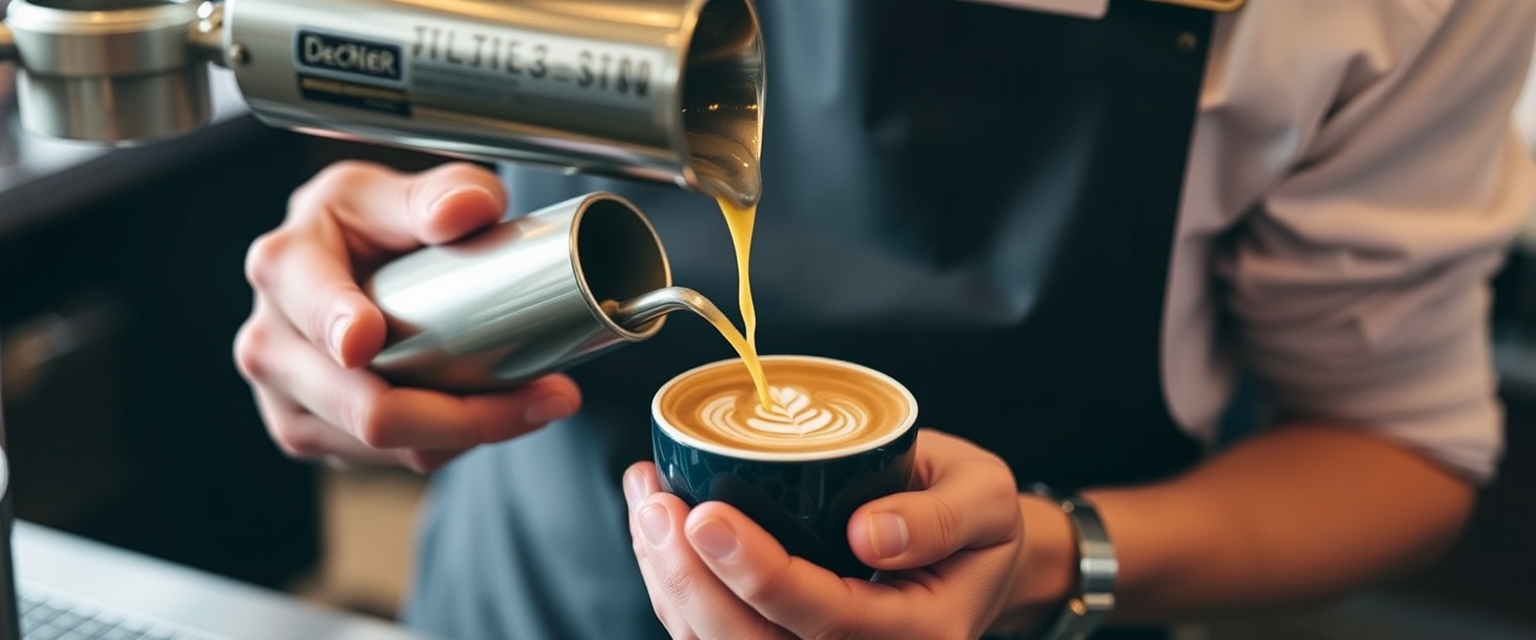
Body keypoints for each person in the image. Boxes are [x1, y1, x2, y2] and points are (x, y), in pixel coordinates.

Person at [233, 1, 1536, 638]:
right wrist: (355, 291)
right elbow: (351, 96)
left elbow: (1395, 443)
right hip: (528, 600)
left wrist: (1048, 554)